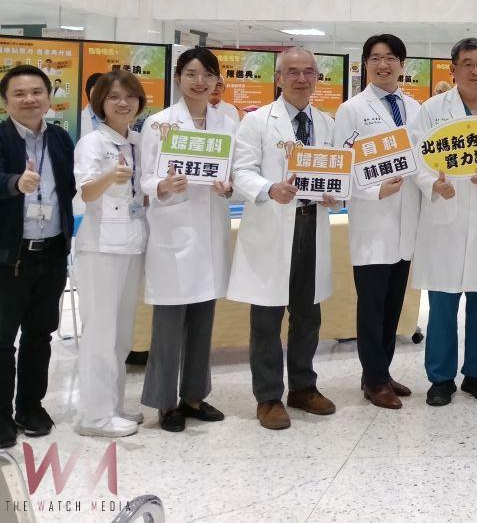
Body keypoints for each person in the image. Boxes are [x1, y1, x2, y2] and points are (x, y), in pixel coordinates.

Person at [228, 47, 340, 431]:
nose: (301, 79)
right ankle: (269, 397)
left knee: (308, 313)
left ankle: (303, 388)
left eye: (309, 72)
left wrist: (334, 193)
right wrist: (268, 188)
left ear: (317, 78)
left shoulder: (326, 123)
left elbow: (336, 170)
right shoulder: (257, 122)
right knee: (267, 316)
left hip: (312, 223)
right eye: (293, 72)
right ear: (278, 78)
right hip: (272, 225)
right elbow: (241, 171)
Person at [411, 37, 477, 407]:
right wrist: (432, 184)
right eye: (467, 63)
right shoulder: (431, 110)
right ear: (453, 69)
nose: (475, 70)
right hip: (446, 215)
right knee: (442, 302)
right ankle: (440, 378)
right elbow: (416, 158)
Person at [138, 48, 236, 433]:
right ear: (178, 78)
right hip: (173, 230)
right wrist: (162, 185)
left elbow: (233, 173)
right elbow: (145, 179)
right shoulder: (160, 123)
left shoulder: (226, 121)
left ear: (216, 81)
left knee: (202, 321)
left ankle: (194, 396)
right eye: (192, 74)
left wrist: (229, 187)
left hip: (209, 230)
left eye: (208, 75)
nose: (200, 82)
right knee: (168, 325)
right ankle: (165, 403)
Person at [332, 34, 421, 410]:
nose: (383, 65)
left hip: (406, 221)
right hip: (373, 220)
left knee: (392, 304)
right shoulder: (351, 110)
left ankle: (381, 371)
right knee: (371, 305)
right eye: (375, 58)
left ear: (402, 64)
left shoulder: (415, 108)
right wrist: (374, 191)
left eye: (390, 58)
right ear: (365, 64)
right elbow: (342, 165)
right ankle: (373, 379)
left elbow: (423, 159)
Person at [0, 65, 76, 449]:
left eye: (36, 92)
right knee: (2, 340)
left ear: (48, 97)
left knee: (40, 334)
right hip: (9, 257)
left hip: (52, 253)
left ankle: (30, 407)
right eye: (19, 93)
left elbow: (70, 186)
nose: (29, 99)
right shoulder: (1, 137)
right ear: (6, 101)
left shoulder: (60, 138)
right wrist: (16, 183)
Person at [73, 71, 148, 437]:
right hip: (101, 247)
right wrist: (110, 176)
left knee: (120, 334)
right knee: (100, 333)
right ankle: (94, 416)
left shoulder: (136, 141)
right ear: (100, 102)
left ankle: (113, 406)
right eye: (114, 97)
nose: (123, 103)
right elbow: (86, 192)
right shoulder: (92, 142)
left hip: (132, 244)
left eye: (130, 97)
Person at [79, 72, 105, 139]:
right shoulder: (78, 119)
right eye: (95, 89)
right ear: (87, 91)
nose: (99, 94)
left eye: (103, 90)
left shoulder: (115, 117)